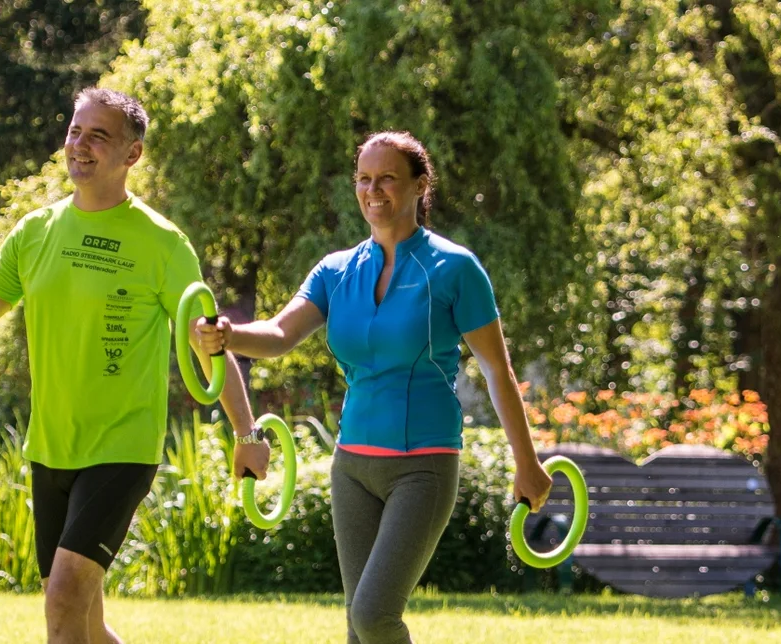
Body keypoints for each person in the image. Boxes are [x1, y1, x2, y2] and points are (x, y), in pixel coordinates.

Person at [0, 87, 268, 644]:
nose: (80, 144)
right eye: (76, 130)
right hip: (50, 446)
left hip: (122, 447)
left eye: (98, 135)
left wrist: (246, 433)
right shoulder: (34, 233)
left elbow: (208, 344)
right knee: (85, 622)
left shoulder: (163, 244)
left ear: (133, 154)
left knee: (63, 600)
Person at [194, 131, 552, 644]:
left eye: (387, 178)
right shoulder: (337, 271)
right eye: (364, 178)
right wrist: (227, 334)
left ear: (419, 185)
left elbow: (497, 371)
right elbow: (278, 335)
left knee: (374, 615)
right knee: (357, 628)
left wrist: (526, 461)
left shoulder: (454, 268)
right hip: (353, 466)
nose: (373, 190)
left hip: (423, 464)